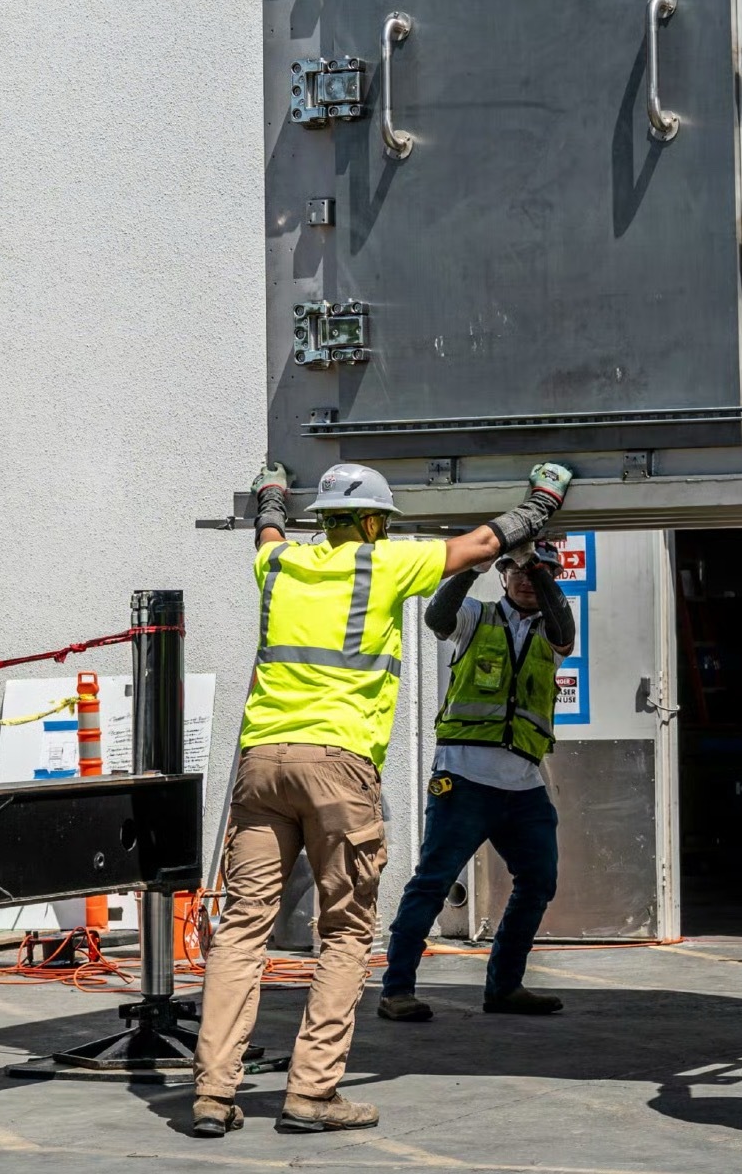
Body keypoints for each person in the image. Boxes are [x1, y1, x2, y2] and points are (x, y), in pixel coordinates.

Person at [190, 458, 573, 1138]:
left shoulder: (278, 568)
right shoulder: (383, 563)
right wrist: (542, 500)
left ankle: (214, 1096)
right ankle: (311, 1095)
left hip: (261, 763)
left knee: (242, 932)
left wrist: (271, 491)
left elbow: (268, 530)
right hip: (337, 765)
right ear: (372, 521)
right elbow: (483, 544)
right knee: (342, 933)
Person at [377, 539, 577, 1021]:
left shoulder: (553, 632)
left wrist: (536, 563)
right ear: (503, 575)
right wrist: (476, 566)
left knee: (538, 881)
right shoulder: (475, 615)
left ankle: (504, 987)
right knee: (432, 882)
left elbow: (563, 627)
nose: (527, 579)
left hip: (524, 784)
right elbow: (436, 618)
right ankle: (396, 990)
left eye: (539, 572)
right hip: (463, 779)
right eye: (518, 571)